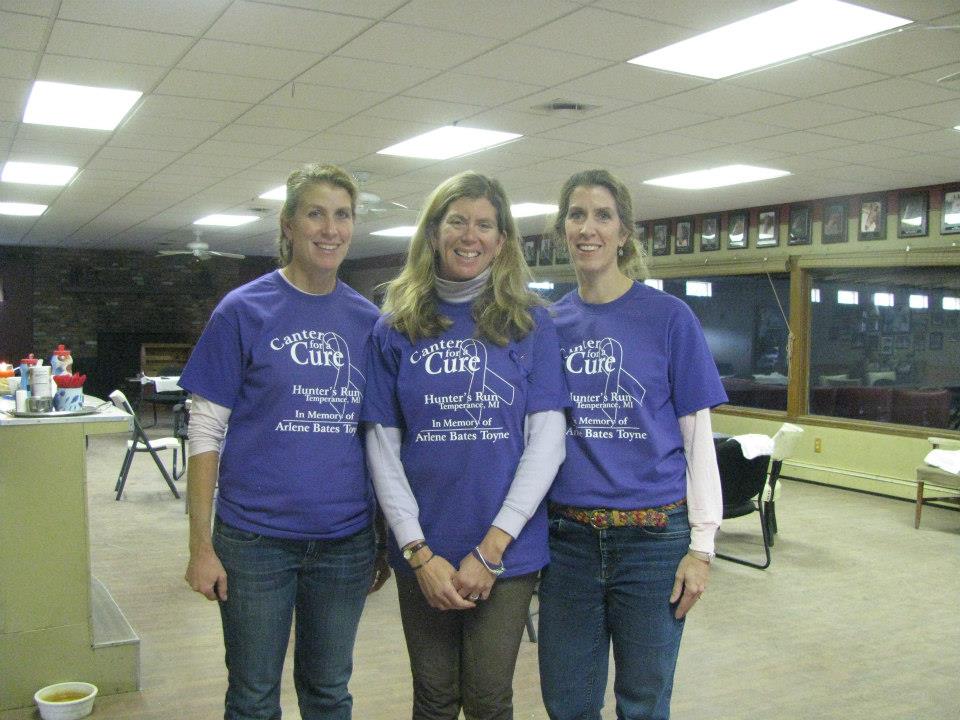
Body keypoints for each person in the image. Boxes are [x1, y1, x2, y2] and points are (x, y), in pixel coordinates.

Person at [180, 163, 390, 720]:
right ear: (288, 224)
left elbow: (379, 440)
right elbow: (204, 433)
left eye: (342, 215)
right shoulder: (242, 311)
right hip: (254, 542)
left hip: (344, 543)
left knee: (329, 693)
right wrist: (200, 546)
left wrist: (382, 538)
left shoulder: (369, 322)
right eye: (315, 213)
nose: (330, 229)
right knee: (252, 697)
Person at [362, 171, 568, 720]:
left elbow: (547, 444)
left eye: (484, 225)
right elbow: (382, 449)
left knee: (487, 698)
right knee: (432, 699)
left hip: (506, 552)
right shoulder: (393, 329)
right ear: (433, 234)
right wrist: (417, 552)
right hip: (424, 548)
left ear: (501, 242)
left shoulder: (532, 323)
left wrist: (491, 549)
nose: (469, 235)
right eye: (457, 222)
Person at [538, 169, 728, 720]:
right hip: (568, 543)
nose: (588, 228)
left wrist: (702, 548)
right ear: (563, 230)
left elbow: (698, 439)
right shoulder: (547, 325)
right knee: (568, 703)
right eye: (576, 215)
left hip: (654, 542)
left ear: (624, 233)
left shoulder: (670, 318)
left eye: (603, 216)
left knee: (643, 704)